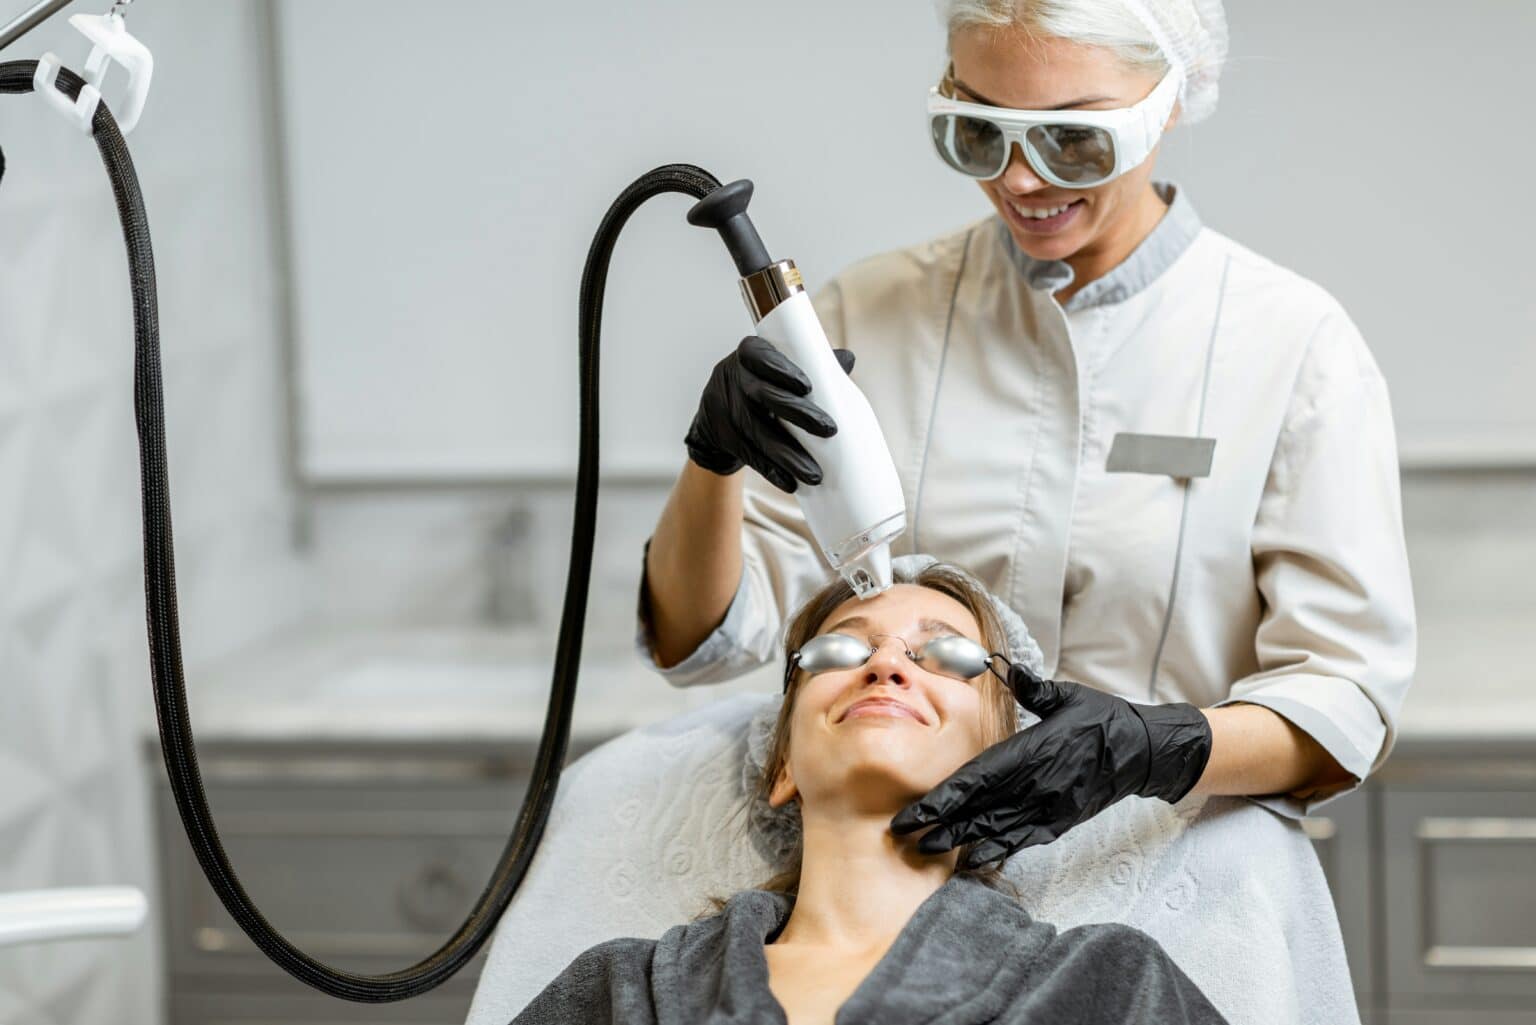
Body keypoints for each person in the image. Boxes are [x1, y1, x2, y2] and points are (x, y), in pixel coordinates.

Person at [639, 0, 1415, 861]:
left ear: (1170, 103)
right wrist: (711, 462)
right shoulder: (872, 314)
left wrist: (1151, 747)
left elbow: (1343, 697)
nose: (1018, 180)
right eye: (976, 133)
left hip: (1164, 868)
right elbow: (705, 644)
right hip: (904, 870)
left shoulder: (1293, 346)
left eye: (1073, 141)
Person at [519, 561, 1229, 1024]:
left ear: (1010, 755)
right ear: (784, 765)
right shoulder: (622, 992)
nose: (887, 662)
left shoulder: (1109, 986)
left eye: (946, 653)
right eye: (840, 649)